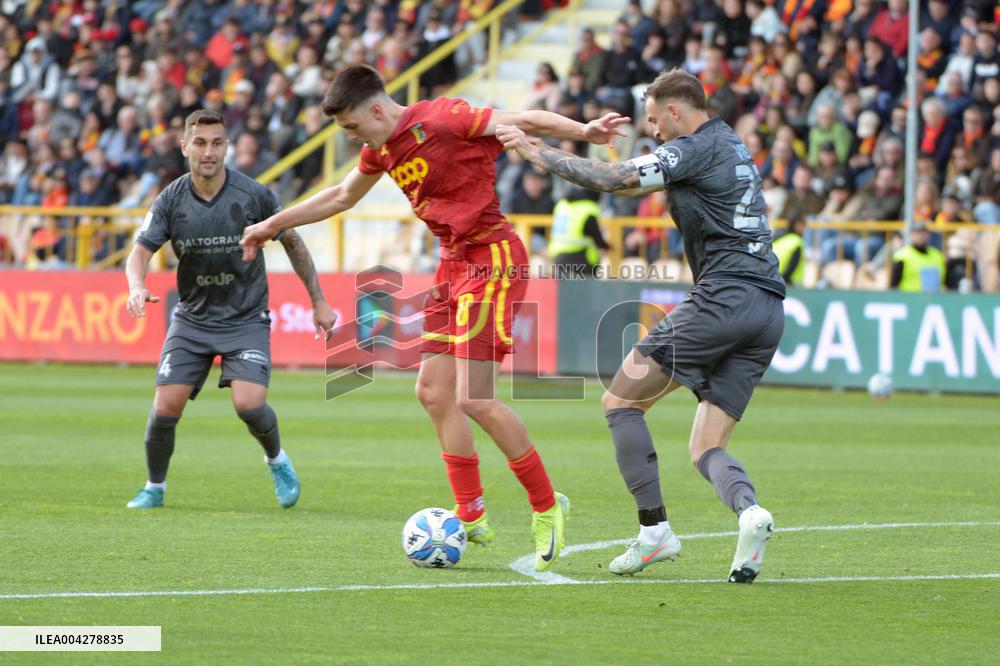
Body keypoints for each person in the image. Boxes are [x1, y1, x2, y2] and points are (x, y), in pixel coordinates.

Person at [240, 64, 629, 571]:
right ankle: (469, 512)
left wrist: (585, 132)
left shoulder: (445, 119)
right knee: (432, 391)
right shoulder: (379, 149)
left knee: (475, 398)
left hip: (492, 259)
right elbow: (340, 196)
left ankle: (547, 503)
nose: (352, 136)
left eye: (353, 126)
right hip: (452, 264)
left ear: (377, 109)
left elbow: (525, 118)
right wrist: (270, 224)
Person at [497, 68, 782, 583]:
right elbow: (628, 185)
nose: (652, 130)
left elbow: (614, 181)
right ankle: (749, 512)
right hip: (767, 308)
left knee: (619, 400)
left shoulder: (693, 148)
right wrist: (602, 149)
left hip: (724, 296)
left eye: (654, 120)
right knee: (707, 448)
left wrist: (534, 151)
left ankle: (655, 533)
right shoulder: (732, 144)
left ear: (676, 111)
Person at [124, 110, 336, 510]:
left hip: (245, 318)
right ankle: (154, 487)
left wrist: (318, 300)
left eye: (217, 142)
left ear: (227, 146)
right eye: (200, 143)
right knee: (165, 407)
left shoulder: (253, 195)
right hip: (192, 318)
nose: (209, 151)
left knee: (249, 404)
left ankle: (277, 460)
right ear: (184, 145)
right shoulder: (170, 199)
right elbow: (139, 252)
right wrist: (137, 285)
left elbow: (293, 242)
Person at [890, 224, 946, 292]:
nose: (921, 236)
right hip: (909, 298)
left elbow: (944, 280)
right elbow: (894, 284)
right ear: (911, 235)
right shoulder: (902, 255)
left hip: (933, 298)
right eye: (918, 233)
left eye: (924, 233)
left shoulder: (937, 255)